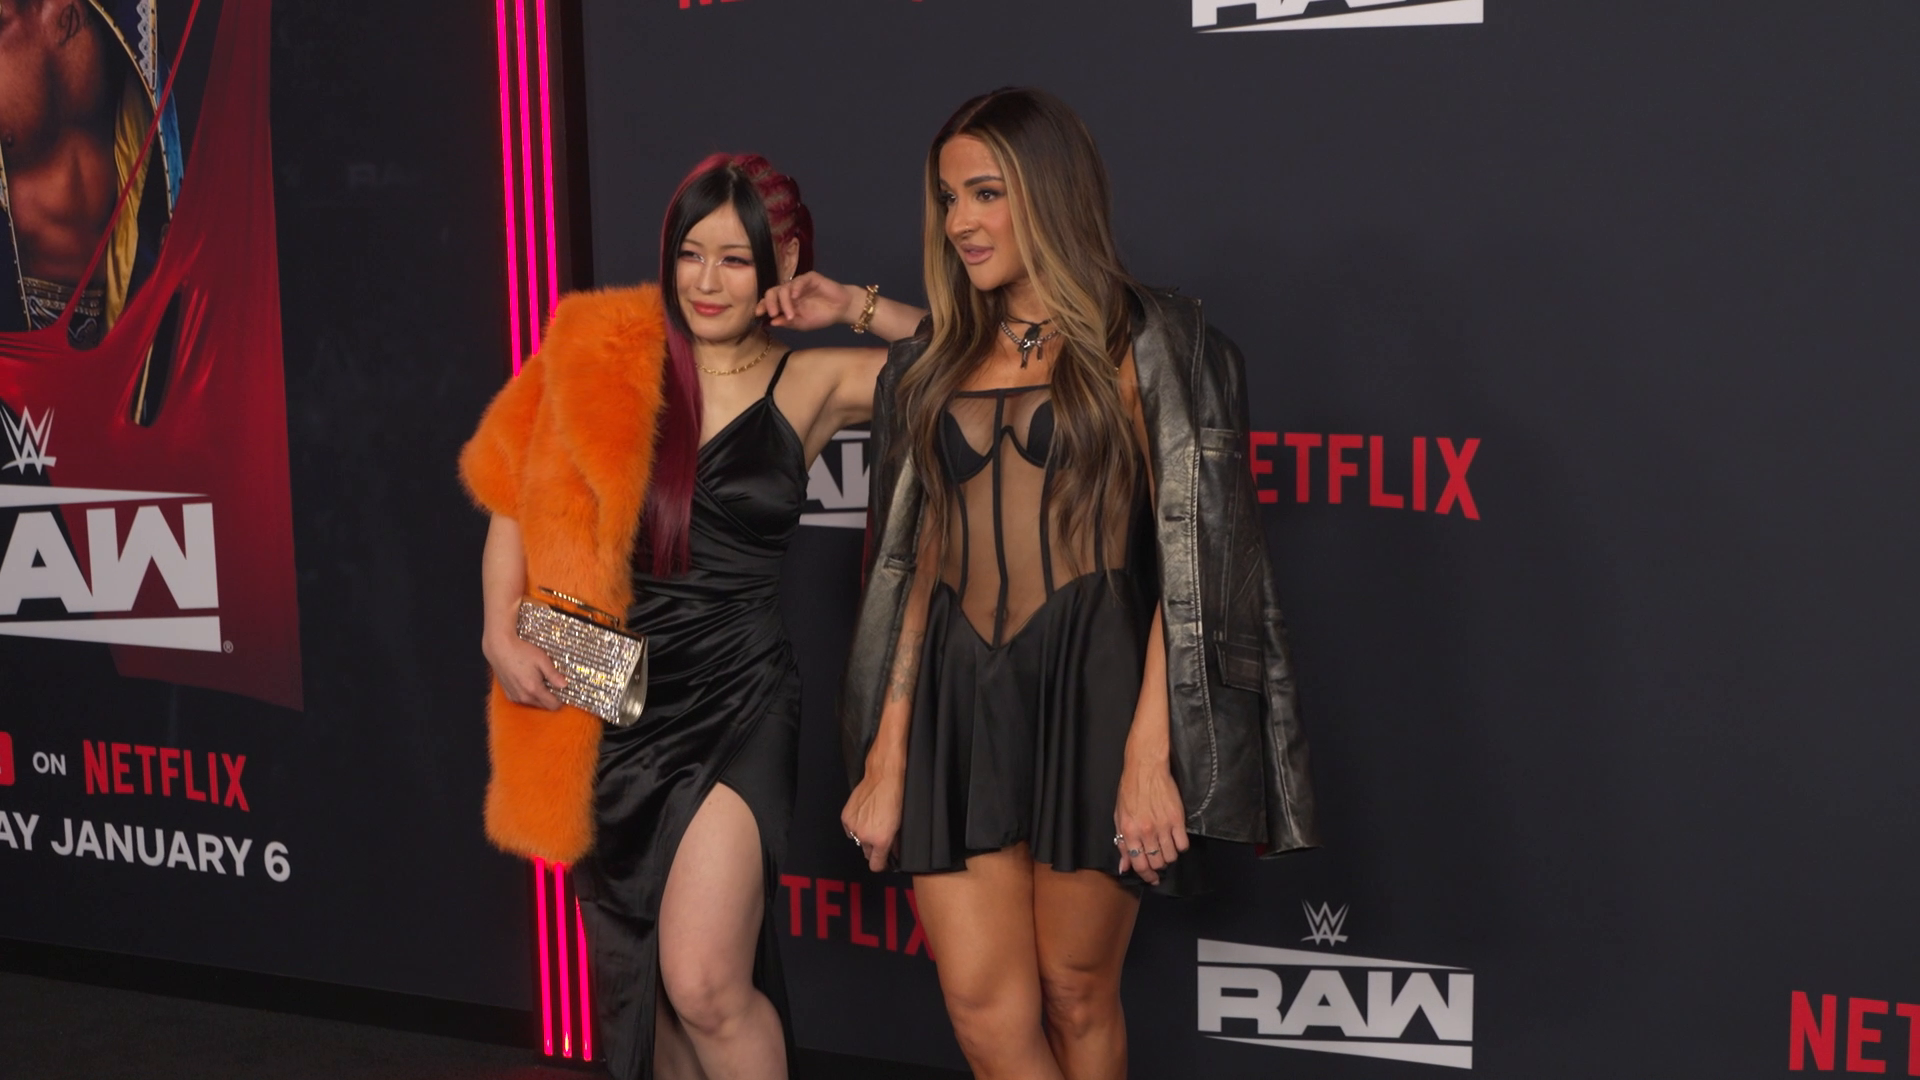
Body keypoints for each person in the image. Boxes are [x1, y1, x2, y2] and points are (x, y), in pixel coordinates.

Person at [838, 88, 1318, 1079]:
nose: (961, 221)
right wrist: (887, 751)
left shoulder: (1147, 340)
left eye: (986, 193)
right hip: (954, 696)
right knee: (983, 1008)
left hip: (1095, 687)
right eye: (949, 199)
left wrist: (1151, 753)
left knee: (1073, 991)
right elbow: (918, 565)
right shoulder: (931, 359)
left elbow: (1190, 563)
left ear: (1049, 192)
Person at [460, 153, 921, 1080]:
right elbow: (513, 488)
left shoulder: (812, 382)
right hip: (609, 700)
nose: (707, 282)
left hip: (740, 699)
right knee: (652, 998)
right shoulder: (602, 353)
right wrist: (497, 628)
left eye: (736, 259)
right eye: (690, 254)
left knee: (704, 982)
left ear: (780, 264)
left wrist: (852, 305)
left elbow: (998, 359)